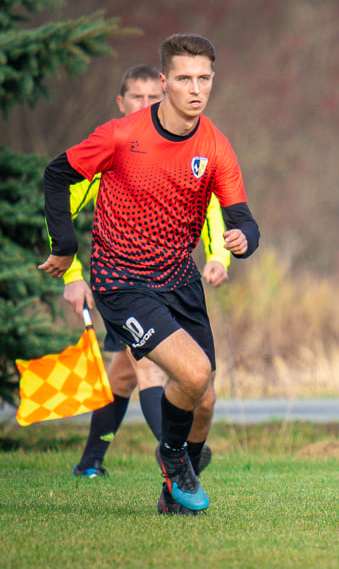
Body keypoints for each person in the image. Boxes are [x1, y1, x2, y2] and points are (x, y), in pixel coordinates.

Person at [40, 34, 260, 514]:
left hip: (180, 280)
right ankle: (170, 456)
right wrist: (66, 249)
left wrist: (242, 241)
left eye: (204, 79)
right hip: (122, 281)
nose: (195, 89)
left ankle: (172, 490)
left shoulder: (216, 146)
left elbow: (242, 217)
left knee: (205, 402)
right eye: (184, 78)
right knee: (192, 372)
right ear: (164, 82)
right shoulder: (122, 135)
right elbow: (58, 176)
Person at [61, 66, 232, 485]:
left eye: (152, 97)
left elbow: (209, 203)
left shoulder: (182, 150)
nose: (146, 105)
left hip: (167, 282)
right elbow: (60, 205)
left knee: (122, 373)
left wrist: (218, 256)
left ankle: (89, 463)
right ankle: (178, 464)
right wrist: (73, 274)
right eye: (136, 98)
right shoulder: (112, 151)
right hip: (122, 282)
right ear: (121, 104)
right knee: (149, 372)